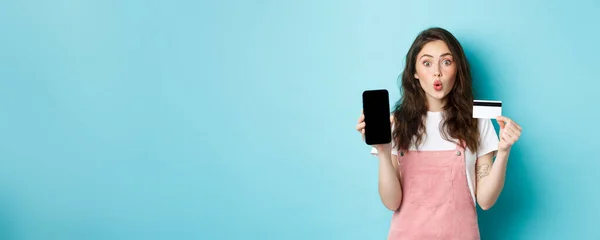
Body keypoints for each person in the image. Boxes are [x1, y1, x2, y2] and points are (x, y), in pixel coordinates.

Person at [355, 27, 522, 239]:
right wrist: (383, 150)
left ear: (457, 69)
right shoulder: (396, 123)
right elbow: (391, 202)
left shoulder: (477, 121)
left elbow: (486, 201)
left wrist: (504, 151)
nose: (437, 72)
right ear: (414, 72)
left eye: (446, 61)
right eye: (427, 63)